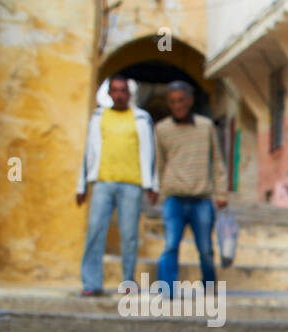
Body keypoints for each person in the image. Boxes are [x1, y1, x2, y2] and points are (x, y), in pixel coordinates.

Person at [76, 75, 158, 296]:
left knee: (129, 236)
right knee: (95, 232)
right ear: (109, 93)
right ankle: (91, 283)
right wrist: (81, 186)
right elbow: (88, 153)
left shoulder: (141, 118)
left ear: (129, 94)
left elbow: (151, 153)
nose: (120, 94)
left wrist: (152, 184)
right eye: (115, 90)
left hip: (132, 185)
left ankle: (128, 282)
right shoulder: (98, 117)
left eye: (124, 90)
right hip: (103, 183)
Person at [153, 80, 228, 294]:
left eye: (181, 100)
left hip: (201, 199)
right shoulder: (162, 129)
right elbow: (160, 163)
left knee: (205, 250)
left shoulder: (206, 126)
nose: (178, 105)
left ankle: (210, 287)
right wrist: (161, 192)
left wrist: (221, 193)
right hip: (174, 199)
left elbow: (217, 161)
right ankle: (166, 292)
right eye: (173, 101)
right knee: (170, 246)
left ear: (190, 101)